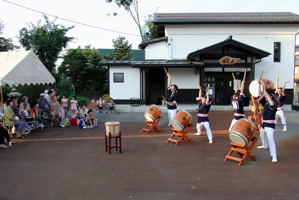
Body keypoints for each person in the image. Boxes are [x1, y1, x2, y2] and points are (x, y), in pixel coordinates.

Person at [256, 80, 278, 163]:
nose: (266, 96)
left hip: (270, 124)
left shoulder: (274, 102)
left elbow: (271, 103)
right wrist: (260, 85)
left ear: (271, 95)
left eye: (268, 95)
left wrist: (265, 90)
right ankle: (265, 145)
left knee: (270, 139)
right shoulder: (265, 102)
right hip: (264, 123)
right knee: (262, 134)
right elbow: (259, 94)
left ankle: (274, 156)